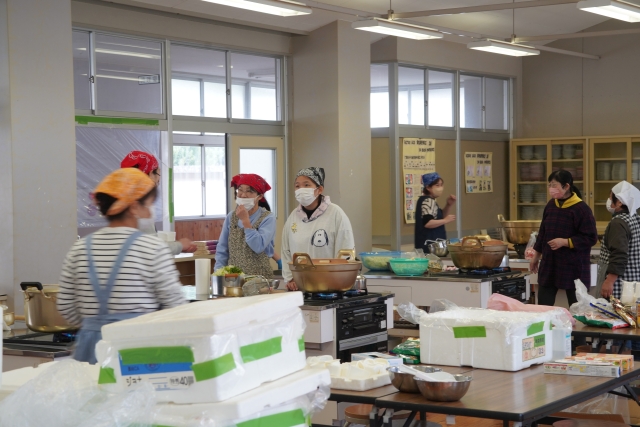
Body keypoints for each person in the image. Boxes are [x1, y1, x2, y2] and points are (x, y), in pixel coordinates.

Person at [58, 168, 185, 363]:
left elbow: (65, 305)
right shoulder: (152, 248)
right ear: (133, 207)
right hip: (138, 349)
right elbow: (175, 306)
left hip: (89, 351)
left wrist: (94, 325)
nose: (150, 212)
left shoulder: (79, 249)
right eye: (148, 205)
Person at [529, 170, 598, 307]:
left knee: (577, 307)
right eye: (549, 185)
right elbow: (542, 233)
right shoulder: (550, 205)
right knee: (543, 306)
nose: (551, 188)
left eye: (554, 185)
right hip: (550, 263)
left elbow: (591, 237)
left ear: (566, 186)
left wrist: (565, 242)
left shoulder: (581, 209)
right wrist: (536, 256)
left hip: (574, 266)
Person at [282, 167, 355, 291]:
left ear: (319, 189)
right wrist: (290, 278)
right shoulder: (293, 217)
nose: (301, 189)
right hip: (300, 285)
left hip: (330, 285)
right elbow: (286, 250)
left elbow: (345, 249)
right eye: (297, 186)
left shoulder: (336, 214)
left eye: (306, 185)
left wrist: (338, 279)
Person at [121, 150, 196, 255]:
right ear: (151, 174)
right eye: (158, 174)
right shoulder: (138, 207)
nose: (158, 181)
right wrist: (180, 245)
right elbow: (151, 248)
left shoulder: (123, 201)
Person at [214, 174, 276, 278]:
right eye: (240, 190)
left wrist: (245, 221)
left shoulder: (267, 218)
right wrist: (218, 275)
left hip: (260, 279)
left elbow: (258, 246)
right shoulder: (231, 217)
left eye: (249, 191)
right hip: (234, 279)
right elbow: (222, 250)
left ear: (260, 196)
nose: (243, 195)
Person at [596, 181, 640, 299]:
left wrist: (609, 281)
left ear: (619, 202)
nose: (609, 201)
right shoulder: (635, 218)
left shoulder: (618, 223)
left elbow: (619, 253)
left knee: (613, 310)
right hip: (633, 281)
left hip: (618, 285)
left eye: (611, 198)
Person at [414, 172, 456, 253]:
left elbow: (439, 217)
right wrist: (445, 220)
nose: (440, 188)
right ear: (428, 187)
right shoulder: (428, 201)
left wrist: (448, 205)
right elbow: (428, 223)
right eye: (437, 185)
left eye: (441, 185)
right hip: (430, 246)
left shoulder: (429, 200)